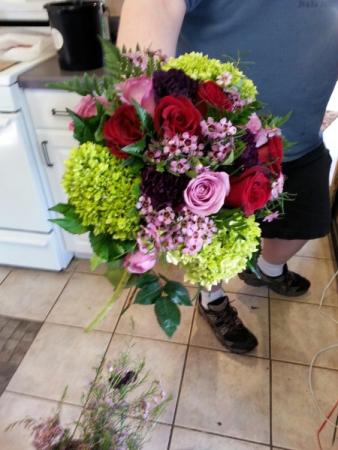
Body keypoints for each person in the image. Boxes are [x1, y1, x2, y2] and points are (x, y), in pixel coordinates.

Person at [117, 0, 338, 354]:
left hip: (301, 139)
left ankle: (266, 268)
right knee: (211, 249)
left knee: (305, 224)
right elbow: (153, 16)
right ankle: (212, 298)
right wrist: (148, 120)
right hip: (221, 149)